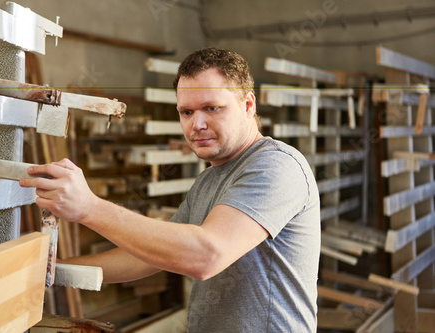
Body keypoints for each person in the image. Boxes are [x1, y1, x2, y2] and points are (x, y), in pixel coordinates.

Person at [20, 47, 320, 332]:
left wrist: (90, 208)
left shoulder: (276, 166)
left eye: (211, 108)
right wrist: (51, 269)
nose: (197, 124)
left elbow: (207, 256)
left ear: (248, 105)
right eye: (186, 112)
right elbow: (146, 257)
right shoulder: (208, 180)